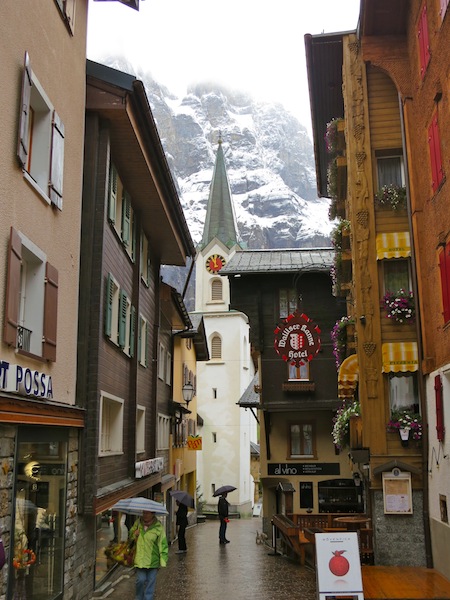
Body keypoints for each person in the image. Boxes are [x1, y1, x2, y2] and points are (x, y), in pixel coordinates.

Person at [130, 510, 168, 600]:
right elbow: (130, 536)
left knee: (150, 585)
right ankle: (138, 597)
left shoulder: (158, 527)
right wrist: (134, 534)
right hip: (140, 560)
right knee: (140, 580)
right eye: (144, 513)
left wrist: (163, 560)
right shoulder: (138, 523)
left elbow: (163, 544)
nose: (145, 515)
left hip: (153, 561)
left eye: (147, 513)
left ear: (152, 514)